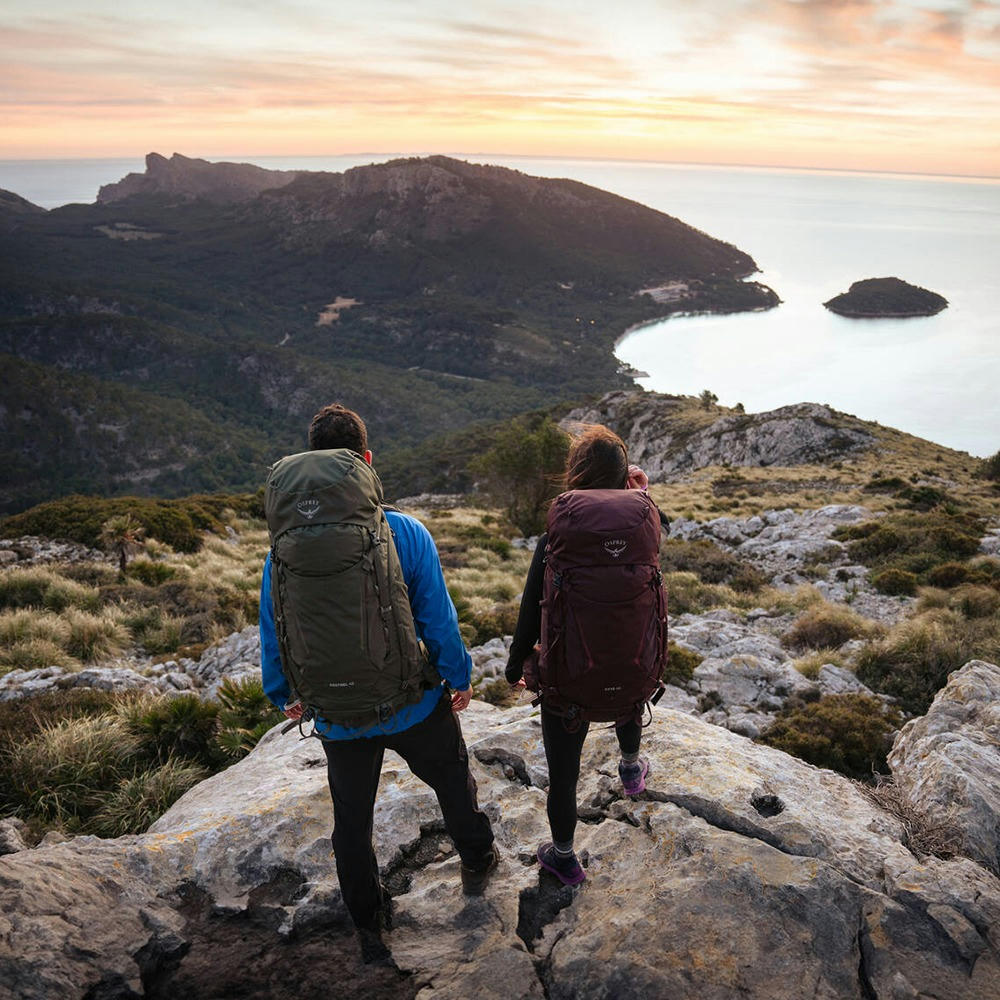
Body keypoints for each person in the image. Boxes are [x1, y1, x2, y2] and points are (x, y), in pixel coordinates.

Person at [259, 403, 497, 963]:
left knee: (352, 822)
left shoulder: (281, 553)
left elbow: (275, 628)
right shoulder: (406, 532)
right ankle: (477, 858)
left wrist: (285, 694)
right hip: (413, 703)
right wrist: (457, 678)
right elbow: (438, 619)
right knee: (452, 779)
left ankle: (369, 923)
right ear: (364, 461)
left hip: (339, 716)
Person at [504, 425, 658, 887]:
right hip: (635, 674)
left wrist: (516, 664)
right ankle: (631, 769)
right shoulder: (644, 519)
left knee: (564, 772)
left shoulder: (560, 529)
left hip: (570, 679)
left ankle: (564, 857)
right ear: (623, 476)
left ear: (577, 473)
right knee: (624, 667)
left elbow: (533, 604)